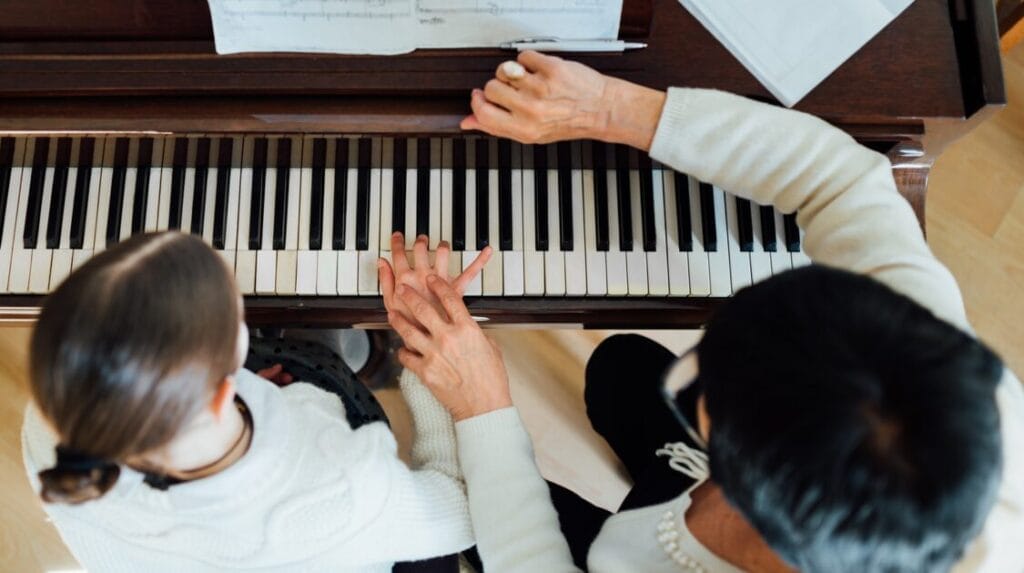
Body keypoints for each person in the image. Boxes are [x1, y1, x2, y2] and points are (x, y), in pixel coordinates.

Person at [378, 51, 1024, 572]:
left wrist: (480, 406)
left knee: (508, 505)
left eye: (703, 383)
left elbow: (530, 558)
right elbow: (842, 182)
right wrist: (611, 108)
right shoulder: (931, 370)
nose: (691, 368)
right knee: (622, 367)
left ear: (739, 471)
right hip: (701, 496)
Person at [21, 231, 491, 573]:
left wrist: (248, 406)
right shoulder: (346, 487)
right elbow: (464, 511)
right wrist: (427, 367)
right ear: (224, 388)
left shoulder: (53, 433)